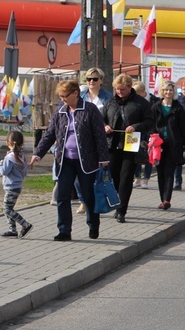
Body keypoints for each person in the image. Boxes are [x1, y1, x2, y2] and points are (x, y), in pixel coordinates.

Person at [31, 79, 110, 240]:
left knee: (88, 196)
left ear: (75, 93)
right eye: (60, 96)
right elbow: (50, 134)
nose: (62, 99)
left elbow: (99, 135)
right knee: (63, 195)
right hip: (65, 161)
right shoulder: (61, 110)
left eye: (64, 96)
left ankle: (93, 224)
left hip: (86, 161)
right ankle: (64, 230)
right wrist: (37, 153)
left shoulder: (89, 109)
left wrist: (103, 157)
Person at [103, 74, 154, 223]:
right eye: (117, 89)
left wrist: (136, 127)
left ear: (129, 88)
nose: (119, 92)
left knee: (126, 177)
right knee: (114, 177)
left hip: (131, 143)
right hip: (112, 144)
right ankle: (116, 202)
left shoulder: (141, 103)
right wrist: (105, 126)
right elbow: (101, 119)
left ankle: (121, 210)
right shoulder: (110, 102)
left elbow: (150, 121)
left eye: (123, 89)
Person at [76, 67, 113, 215]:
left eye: (95, 79)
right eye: (89, 79)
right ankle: (83, 201)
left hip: (101, 139)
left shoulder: (108, 97)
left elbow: (111, 116)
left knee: (98, 173)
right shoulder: (81, 96)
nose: (91, 82)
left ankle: (97, 199)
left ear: (101, 81)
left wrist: (106, 126)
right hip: (83, 139)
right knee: (79, 174)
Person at [151, 81, 185, 210]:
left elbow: (184, 128)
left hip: (174, 144)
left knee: (169, 171)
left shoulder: (178, 108)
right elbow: (152, 125)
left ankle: (167, 199)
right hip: (158, 145)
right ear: (162, 91)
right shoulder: (156, 107)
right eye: (166, 90)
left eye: (170, 90)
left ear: (174, 92)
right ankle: (163, 199)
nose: (168, 92)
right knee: (160, 172)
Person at [0, 131, 33, 238]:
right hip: (17, 186)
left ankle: (25, 224)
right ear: (22, 143)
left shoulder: (9, 157)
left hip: (11, 187)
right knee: (9, 208)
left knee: (7, 209)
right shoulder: (21, 157)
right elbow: (24, 172)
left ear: (7, 143)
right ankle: (12, 230)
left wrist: (0, 164)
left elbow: (4, 171)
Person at [132, 81, 156, 189]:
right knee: (134, 156)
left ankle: (145, 179)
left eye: (138, 93)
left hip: (148, 132)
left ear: (143, 92)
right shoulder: (132, 101)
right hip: (134, 132)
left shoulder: (153, 101)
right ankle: (137, 178)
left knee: (148, 156)